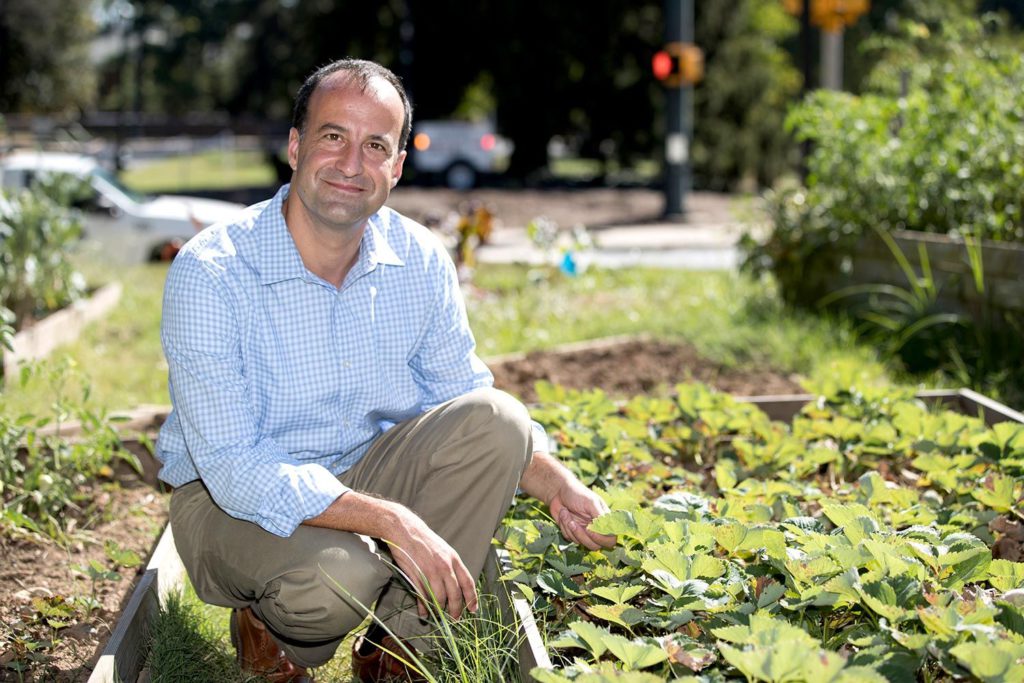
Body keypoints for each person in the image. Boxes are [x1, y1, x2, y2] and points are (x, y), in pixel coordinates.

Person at [155, 58, 615, 683]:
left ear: (397, 166)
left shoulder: (419, 259)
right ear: (295, 147)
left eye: (376, 145)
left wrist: (557, 483)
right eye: (333, 136)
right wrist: (390, 521)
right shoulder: (213, 271)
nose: (352, 164)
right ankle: (269, 629)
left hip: (363, 467)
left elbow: (465, 395)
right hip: (225, 501)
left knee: (500, 420)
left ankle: (398, 647)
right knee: (339, 576)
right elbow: (235, 467)